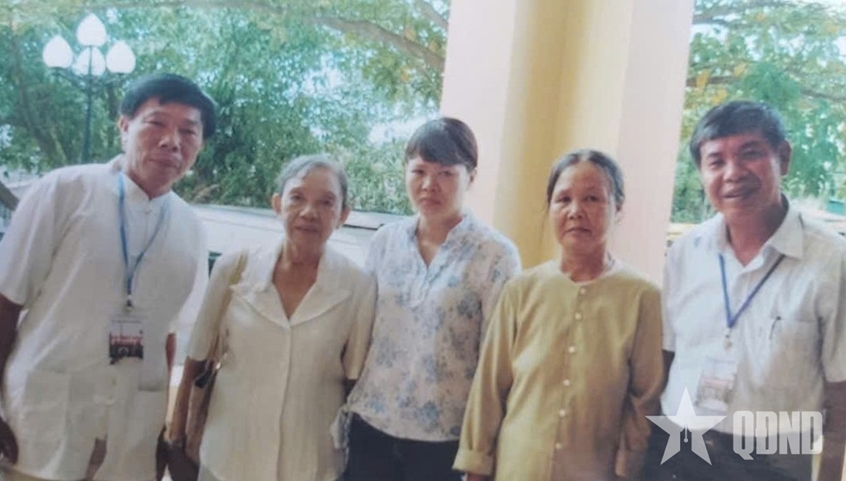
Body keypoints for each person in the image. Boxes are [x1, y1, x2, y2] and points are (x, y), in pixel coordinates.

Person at [0, 73, 216, 481]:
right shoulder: (65, 191)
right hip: (41, 422)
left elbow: (167, 335)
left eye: (188, 131)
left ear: (199, 145)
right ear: (124, 126)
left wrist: (160, 432)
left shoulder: (191, 228)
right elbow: (6, 300)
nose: (171, 141)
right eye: (156, 123)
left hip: (129, 435)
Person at [644, 101, 846, 481]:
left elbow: (841, 387)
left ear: (783, 157)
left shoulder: (832, 262)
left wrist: (831, 472)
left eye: (749, 154)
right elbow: (667, 358)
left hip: (775, 458)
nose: (733, 173)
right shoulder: (686, 253)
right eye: (716, 161)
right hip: (678, 446)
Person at [452, 149, 663, 481]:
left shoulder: (643, 297)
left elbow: (644, 398)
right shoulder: (521, 291)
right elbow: (490, 388)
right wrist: (476, 466)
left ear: (618, 208)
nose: (576, 211)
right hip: (517, 469)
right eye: (563, 199)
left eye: (592, 198)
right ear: (550, 207)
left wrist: (627, 468)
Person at [168, 155, 376, 481]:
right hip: (229, 457)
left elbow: (354, 381)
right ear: (278, 204)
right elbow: (198, 356)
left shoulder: (357, 285)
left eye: (326, 202)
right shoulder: (234, 268)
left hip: (310, 461)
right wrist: (178, 434)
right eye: (297, 198)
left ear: (343, 215)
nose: (309, 212)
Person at [344, 117, 522, 481]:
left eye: (445, 173)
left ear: (471, 177)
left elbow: (499, 363)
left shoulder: (495, 255)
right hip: (371, 427)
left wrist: (484, 452)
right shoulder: (385, 241)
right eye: (419, 171)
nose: (429, 185)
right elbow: (361, 334)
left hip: (444, 443)